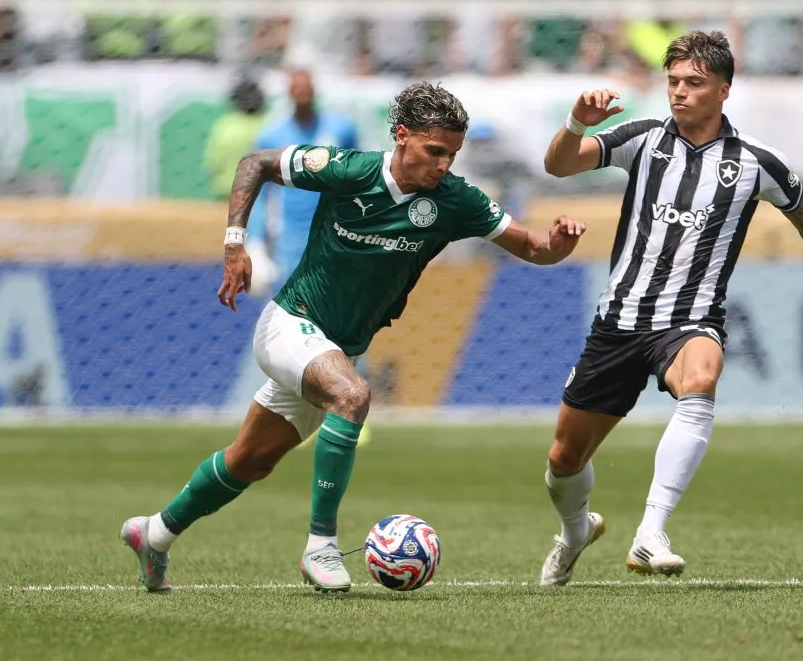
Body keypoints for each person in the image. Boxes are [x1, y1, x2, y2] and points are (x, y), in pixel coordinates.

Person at [119, 82, 587, 594]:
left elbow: (535, 248)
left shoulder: (455, 200)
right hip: (290, 322)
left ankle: (155, 534)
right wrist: (235, 244)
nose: (443, 165)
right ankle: (320, 545)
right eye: (434, 151)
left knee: (249, 460)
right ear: (402, 137)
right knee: (353, 394)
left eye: (452, 155)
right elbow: (254, 163)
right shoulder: (348, 170)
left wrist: (558, 243)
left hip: (339, 348)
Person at [537, 30, 803, 586]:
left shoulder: (757, 162)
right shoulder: (641, 139)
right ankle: (575, 531)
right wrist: (577, 124)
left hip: (690, 319)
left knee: (701, 380)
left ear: (724, 90)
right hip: (620, 321)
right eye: (673, 82)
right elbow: (559, 165)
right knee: (564, 459)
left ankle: (650, 532)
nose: (679, 93)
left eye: (694, 83)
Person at [248, 68, 359, 296]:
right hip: (290, 237)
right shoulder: (271, 136)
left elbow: (359, 177)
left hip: (335, 232)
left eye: (306, 87)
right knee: (288, 304)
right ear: (289, 93)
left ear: (314, 90)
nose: (302, 93)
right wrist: (255, 242)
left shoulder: (341, 129)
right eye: (296, 88)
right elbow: (260, 193)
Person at [203, 77, 267, 202]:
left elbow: (212, 162)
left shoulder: (224, 125)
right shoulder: (270, 125)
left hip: (227, 195)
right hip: (260, 197)